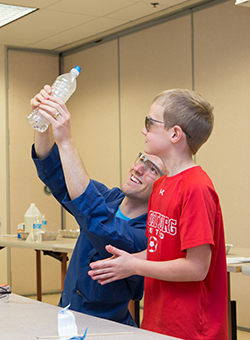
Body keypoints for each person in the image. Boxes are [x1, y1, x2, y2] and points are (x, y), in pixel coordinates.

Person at [88, 89, 228, 340]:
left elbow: (197, 268)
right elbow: (160, 251)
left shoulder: (197, 187)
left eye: (150, 123)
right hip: (158, 322)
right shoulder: (161, 186)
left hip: (193, 329)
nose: (144, 130)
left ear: (175, 134)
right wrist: (127, 263)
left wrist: (135, 265)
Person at [30, 85, 166, 327]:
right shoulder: (109, 198)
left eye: (152, 169)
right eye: (141, 159)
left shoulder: (148, 234)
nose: (138, 168)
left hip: (106, 327)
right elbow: (57, 176)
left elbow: (100, 223)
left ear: (164, 187)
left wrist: (67, 141)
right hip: (69, 316)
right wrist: (43, 124)